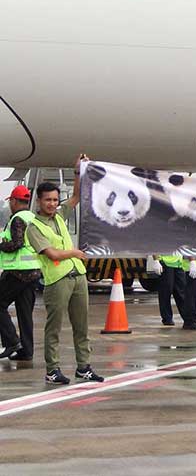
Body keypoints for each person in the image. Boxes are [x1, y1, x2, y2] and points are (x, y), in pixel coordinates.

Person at [27, 158, 105, 384]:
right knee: (54, 328)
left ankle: (84, 367)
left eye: (54, 199)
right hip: (57, 281)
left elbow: (76, 197)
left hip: (77, 276)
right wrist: (74, 253)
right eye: (48, 200)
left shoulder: (60, 215)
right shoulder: (34, 227)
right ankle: (52, 370)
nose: (52, 204)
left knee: (82, 326)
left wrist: (77, 172)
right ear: (39, 201)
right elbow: (51, 254)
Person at [0, 184, 42, 360]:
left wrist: (1, 245)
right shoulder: (33, 217)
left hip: (17, 272)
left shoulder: (18, 219)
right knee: (25, 313)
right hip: (33, 271)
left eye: (11, 201)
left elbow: (17, 243)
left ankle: (12, 341)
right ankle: (26, 351)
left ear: (15, 201)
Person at [153, 254, 189, 327]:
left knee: (181, 292)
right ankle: (167, 318)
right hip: (165, 263)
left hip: (178, 263)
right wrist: (156, 260)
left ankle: (188, 317)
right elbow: (154, 247)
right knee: (165, 292)